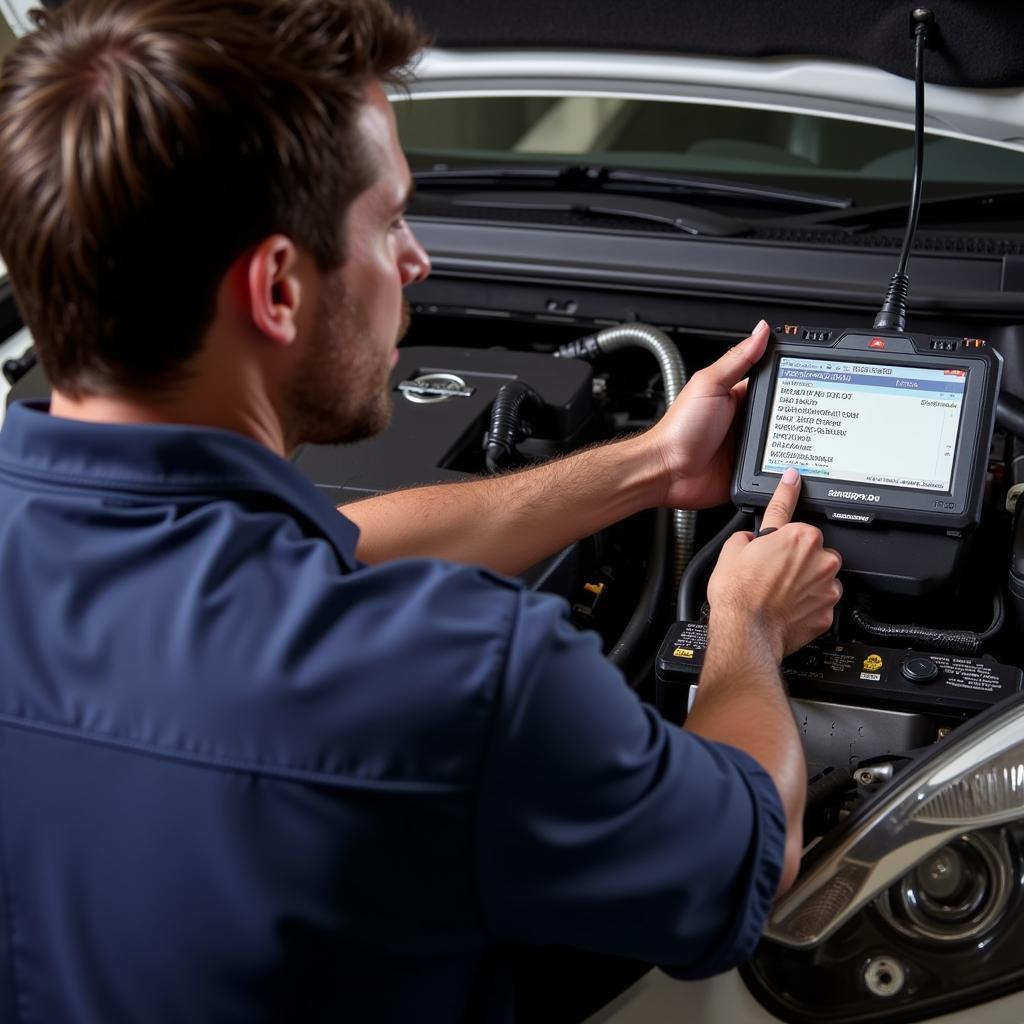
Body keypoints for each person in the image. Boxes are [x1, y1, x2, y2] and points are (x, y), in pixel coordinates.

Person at [0, 1, 841, 1021]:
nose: (416, 261)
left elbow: (337, 549)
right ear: (275, 288)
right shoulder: (463, 679)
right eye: (390, 218)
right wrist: (746, 626)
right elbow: (747, 854)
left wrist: (653, 464)